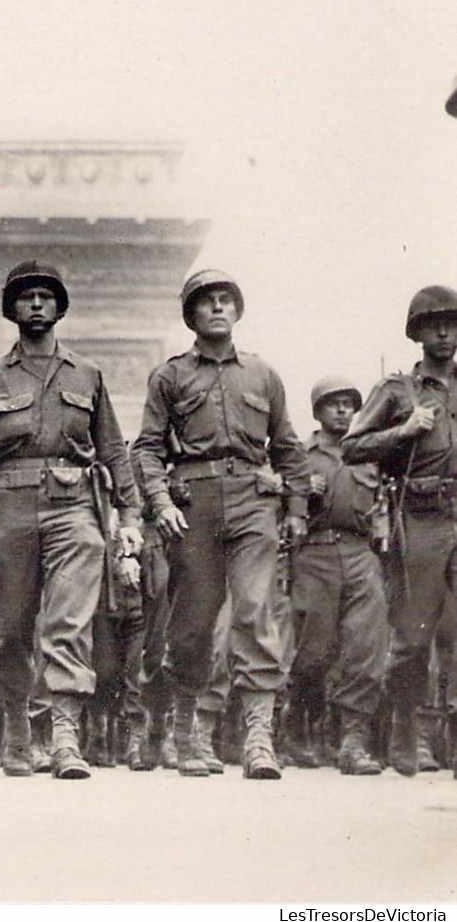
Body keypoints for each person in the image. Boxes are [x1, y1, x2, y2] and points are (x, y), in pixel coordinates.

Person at [0, 262, 143, 779]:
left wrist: (129, 516)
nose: (36, 304)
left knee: (68, 624)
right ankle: (18, 730)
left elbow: (113, 452)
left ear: (59, 308)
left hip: (74, 507)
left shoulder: (88, 375)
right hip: (9, 507)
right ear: (11, 310)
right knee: (9, 628)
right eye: (25, 297)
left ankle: (64, 739)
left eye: (45, 296)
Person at [130, 269, 309, 780]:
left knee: (254, 611)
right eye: (206, 301)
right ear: (191, 314)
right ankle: (186, 732)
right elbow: (146, 448)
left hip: (254, 501)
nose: (217, 308)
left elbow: (288, 448)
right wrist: (161, 502)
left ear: (237, 309)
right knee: (191, 625)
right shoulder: (170, 377)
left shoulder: (262, 375)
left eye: (226, 300)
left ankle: (258, 740)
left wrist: (295, 510)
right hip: (194, 505)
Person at [341, 285, 457, 777]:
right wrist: (404, 430)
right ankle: (405, 724)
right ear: (417, 333)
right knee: (413, 635)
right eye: (434, 323)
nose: (445, 331)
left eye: (451, 321)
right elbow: (352, 447)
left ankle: (443, 734)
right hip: (420, 517)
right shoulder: (396, 391)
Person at [285, 376, 387, 775]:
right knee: (314, 650)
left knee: (366, 644)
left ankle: (353, 742)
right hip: (316, 553)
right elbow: (279, 500)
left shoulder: (370, 453)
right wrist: (295, 491)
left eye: (349, 404)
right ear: (317, 412)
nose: (343, 410)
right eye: (334, 404)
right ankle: (298, 728)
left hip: (361, 553)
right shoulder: (300, 455)